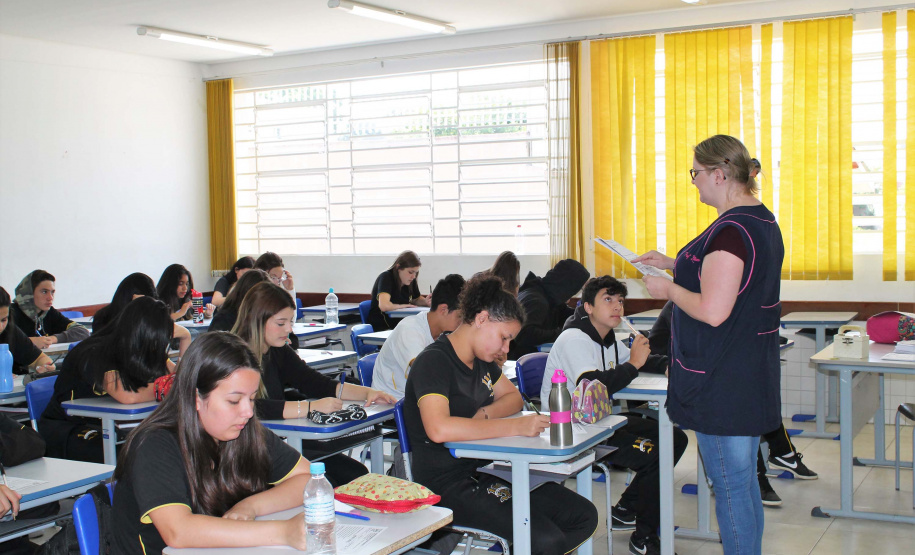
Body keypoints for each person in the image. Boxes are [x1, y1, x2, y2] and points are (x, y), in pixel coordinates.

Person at [634, 135, 784, 555]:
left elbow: (714, 310)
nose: (694, 181)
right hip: (747, 372)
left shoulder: (732, 231)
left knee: (731, 487)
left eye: (696, 173)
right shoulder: (759, 220)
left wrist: (668, 289)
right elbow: (726, 275)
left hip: (722, 379)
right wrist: (674, 263)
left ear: (719, 175)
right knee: (742, 483)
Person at [403, 275, 598, 555]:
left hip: (485, 470)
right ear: (481, 319)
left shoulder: (481, 361)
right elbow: (439, 429)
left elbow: (513, 398)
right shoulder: (434, 361)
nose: (505, 349)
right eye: (504, 338)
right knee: (546, 540)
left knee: (583, 515)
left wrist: (484, 415)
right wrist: (515, 427)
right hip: (448, 484)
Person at [111, 332, 309, 555]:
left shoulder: (243, 431)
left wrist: (251, 506)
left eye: (252, 398)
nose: (248, 411)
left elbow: (310, 479)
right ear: (195, 397)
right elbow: (178, 531)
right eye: (234, 401)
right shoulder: (154, 445)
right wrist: (283, 532)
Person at [539, 276, 687, 555]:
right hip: (572, 429)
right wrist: (633, 363)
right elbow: (594, 385)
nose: (617, 306)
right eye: (608, 299)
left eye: (620, 300)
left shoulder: (607, 339)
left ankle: (627, 508)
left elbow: (639, 360)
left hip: (600, 422)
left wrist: (667, 364)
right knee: (655, 454)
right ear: (588, 307)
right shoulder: (575, 338)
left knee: (676, 439)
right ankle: (644, 538)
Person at [648, 301, 817, 508]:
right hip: (673, 369)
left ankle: (777, 457)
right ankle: (758, 472)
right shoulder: (684, 303)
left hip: (696, 370)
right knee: (738, 407)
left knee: (755, 400)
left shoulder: (715, 302)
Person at [232, 282, 396, 487]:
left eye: (290, 322)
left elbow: (315, 383)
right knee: (330, 483)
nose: (289, 329)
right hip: (251, 451)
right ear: (256, 320)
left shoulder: (277, 350)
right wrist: (310, 407)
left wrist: (367, 393)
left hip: (281, 442)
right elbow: (254, 407)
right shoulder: (235, 356)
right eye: (281, 323)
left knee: (356, 474)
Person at [39, 296, 174, 463]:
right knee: (137, 457)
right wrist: (165, 387)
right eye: (157, 342)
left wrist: (185, 337)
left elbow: (181, 374)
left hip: (108, 426)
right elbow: (127, 396)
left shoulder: (134, 349)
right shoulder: (95, 352)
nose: (157, 349)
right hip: (66, 430)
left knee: (168, 447)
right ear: (142, 335)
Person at [372, 274, 465, 399]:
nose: (462, 322)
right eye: (460, 316)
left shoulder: (444, 331)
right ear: (443, 310)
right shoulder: (410, 329)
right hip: (392, 401)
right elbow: (425, 372)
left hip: (418, 397)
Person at [92, 272, 192, 357]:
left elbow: (164, 364)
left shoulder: (147, 320)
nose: (185, 288)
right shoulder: (104, 320)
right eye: (181, 283)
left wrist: (185, 336)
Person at [507, 259, 590, 359]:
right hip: (521, 361)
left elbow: (565, 314)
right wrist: (563, 333)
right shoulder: (537, 300)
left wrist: (589, 313)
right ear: (567, 286)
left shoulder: (547, 294)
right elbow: (524, 334)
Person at [209, 269, 299, 349]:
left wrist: (280, 344)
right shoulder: (225, 319)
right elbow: (219, 351)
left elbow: (294, 341)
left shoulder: (266, 315)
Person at [11, 270, 90, 349]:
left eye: (52, 292)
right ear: (29, 293)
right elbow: (6, 340)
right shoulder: (10, 313)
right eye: (44, 292)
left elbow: (83, 332)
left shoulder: (49, 312)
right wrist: (29, 341)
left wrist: (52, 339)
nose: (50, 297)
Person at [367, 250, 431, 331]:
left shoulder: (410, 280)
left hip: (400, 325)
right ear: (398, 268)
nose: (413, 276)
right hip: (382, 326)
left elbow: (416, 299)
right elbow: (384, 306)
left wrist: (426, 302)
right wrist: (403, 306)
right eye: (410, 272)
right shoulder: (386, 277)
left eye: (416, 273)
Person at [0, 286, 55, 374]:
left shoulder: (10, 330)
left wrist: (45, 365)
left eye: (4, 320)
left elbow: (39, 358)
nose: (1, 327)